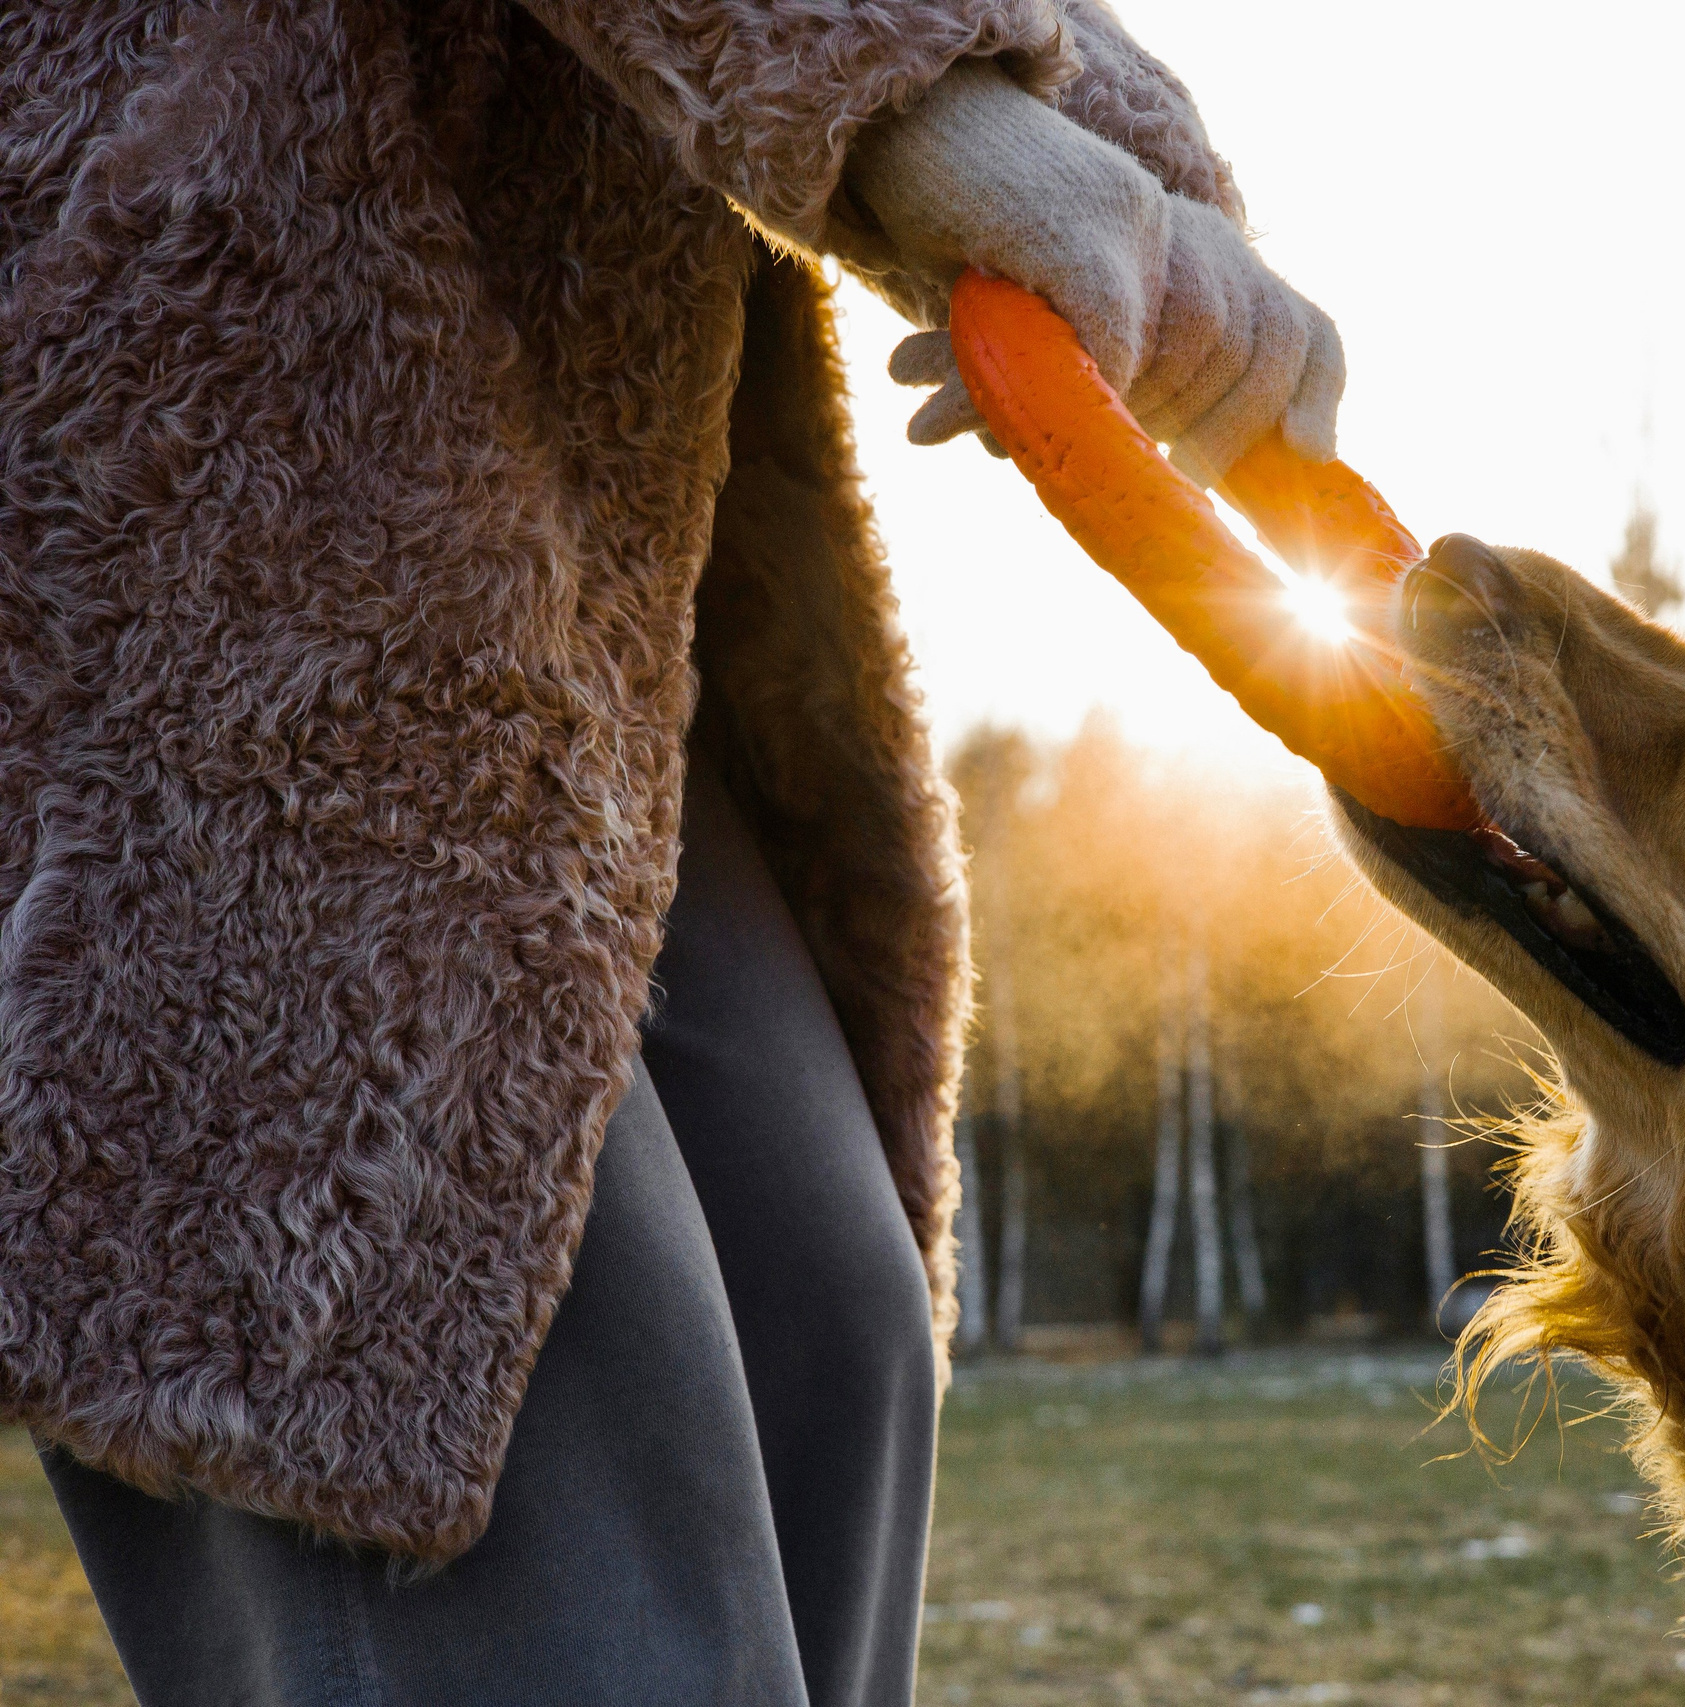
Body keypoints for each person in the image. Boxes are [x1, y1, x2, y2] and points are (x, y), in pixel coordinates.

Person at [0, 4, 1340, 1703]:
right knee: (432, 1368)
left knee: (828, 1337)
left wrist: (1154, 191)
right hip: (215, 473)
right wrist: (916, 113)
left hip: (588, 523)